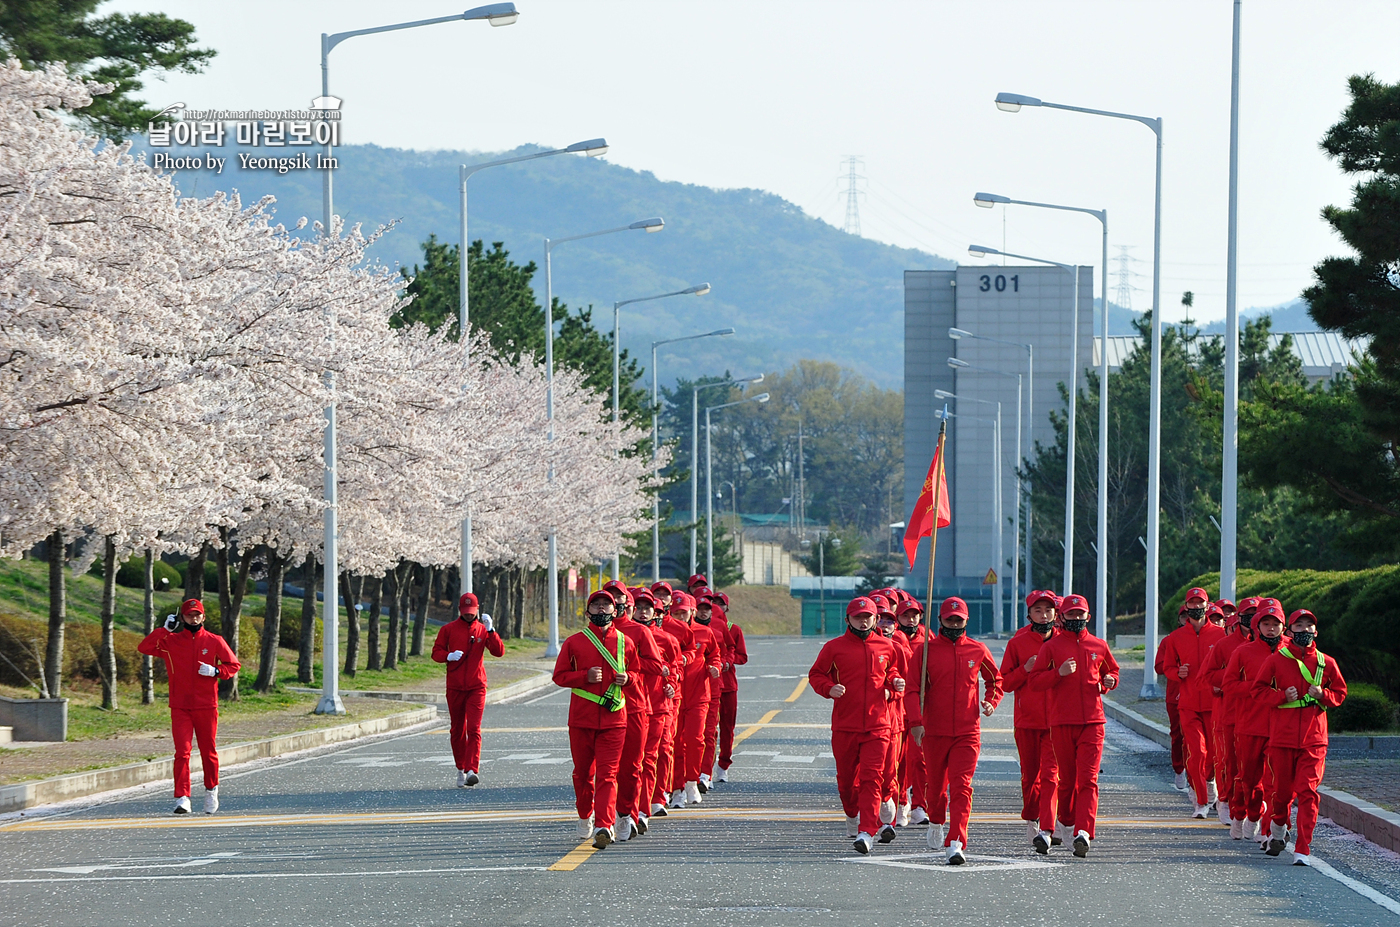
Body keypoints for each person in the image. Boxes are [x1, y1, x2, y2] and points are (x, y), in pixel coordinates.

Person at [906, 596, 1002, 865]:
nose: (954, 624)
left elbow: (996, 680)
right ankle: (936, 820)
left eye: (958, 620)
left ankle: (956, 841)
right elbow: (913, 690)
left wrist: (990, 702)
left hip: (967, 731)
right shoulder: (924, 651)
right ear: (940, 621)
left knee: (962, 787)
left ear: (966, 621)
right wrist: (916, 723)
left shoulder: (977, 649)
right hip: (934, 731)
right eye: (949, 620)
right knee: (936, 789)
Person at [1251, 608, 1347, 866]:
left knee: (1308, 792)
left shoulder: (1327, 662)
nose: (1304, 630)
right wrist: (1282, 696)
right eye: (1299, 625)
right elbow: (1257, 692)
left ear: (1315, 631)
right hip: (1282, 738)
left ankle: (1303, 849)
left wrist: (1323, 696)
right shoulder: (1276, 659)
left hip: (1314, 739)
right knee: (1281, 794)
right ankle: (1278, 830)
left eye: (1309, 626)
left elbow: (1339, 693)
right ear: (1289, 630)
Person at [809, 596, 905, 855]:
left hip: (878, 725)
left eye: (868, 617)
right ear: (848, 619)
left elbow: (895, 673)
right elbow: (816, 674)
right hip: (845, 726)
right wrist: (829, 688)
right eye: (858, 617)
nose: (863, 622)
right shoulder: (834, 648)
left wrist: (894, 687)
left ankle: (866, 832)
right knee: (846, 783)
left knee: (871, 778)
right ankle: (852, 815)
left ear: (875, 619)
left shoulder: (887, 646)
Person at [1028, 594, 1119, 858]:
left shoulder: (1098, 645)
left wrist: (1109, 681)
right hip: (1061, 722)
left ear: (1088, 617)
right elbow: (1034, 682)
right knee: (1066, 781)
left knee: (1088, 779)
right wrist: (1058, 673)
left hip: (1093, 721)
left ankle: (1084, 832)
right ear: (1061, 617)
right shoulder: (1052, 647)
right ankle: (1066, 823)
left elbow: (1112, 672)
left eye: (1081, 615)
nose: (1076, 619)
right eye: (1071, 615)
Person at [552, 590, 640, 849]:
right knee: (582, 774)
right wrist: (583, 677)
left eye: (606, 605)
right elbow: (559, 676)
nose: (601, 609)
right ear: (588, 611)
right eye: (596, 604)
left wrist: (630, 679)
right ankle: (584, 814)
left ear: (615, 611)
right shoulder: (575, 642)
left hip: (615, 719)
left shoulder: (625, 642)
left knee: (608, 774)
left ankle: (604, 825)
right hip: (581, 719)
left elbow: (637, 672)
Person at [138, 598, 240, 814]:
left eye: (197, 615)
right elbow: (144, 647)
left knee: (208, 751)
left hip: (206, 705)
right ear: (181, 617)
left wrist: (216, 671)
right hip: (180, 706)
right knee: (182, 752)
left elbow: (233, 665)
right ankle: (182, 797)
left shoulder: (215, 641)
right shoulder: (171, 641)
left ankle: (211, 790)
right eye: (189, 615)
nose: (193, 618)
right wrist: (164, 630)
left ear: (203, 617)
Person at [602, 582, 666, 841]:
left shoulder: (639, 632)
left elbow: (655, 665)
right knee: (605, 769)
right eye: (610, 598)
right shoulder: (595, 633)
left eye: (619, 597)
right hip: (603, 706)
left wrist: (628, 665)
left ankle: (630, 812)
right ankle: (604, 818)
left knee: (632, 765)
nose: (615, 602)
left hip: (635, 705)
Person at [1000, 590, 1060, 849]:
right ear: (1029, 614)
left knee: (1051, 775)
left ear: (1056, 613)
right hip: (1027, 720)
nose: (1044, 614)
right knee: (1030, 776)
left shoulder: (1065, 641)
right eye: (1038, 610)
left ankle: (1048, 827)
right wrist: (1025, 669)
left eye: (1048, 610)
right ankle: (1032, 819)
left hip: (1057, 721)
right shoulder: (1018, 642)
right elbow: (1004, 683)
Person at [1222, 599, 1285, 844]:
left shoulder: (1291, 651)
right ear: (1257, 625)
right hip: (1250, 724)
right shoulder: (1243, 652)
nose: (1270, 628)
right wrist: (1258, 689)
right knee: (1248, 779)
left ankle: (1271, 830)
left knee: (1275, 782)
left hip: (1281, 726)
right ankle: (1241, 813)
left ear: (1283, 625)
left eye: (1275, 623)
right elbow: (1229, 685)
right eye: (1265, 623)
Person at [1162, 587, 1226, 817]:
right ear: (1186, 607)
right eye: (1192, 604)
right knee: (1196, 752)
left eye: (1201, 604)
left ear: (1207, 607)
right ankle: (1201, 801)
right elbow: (1166, 667)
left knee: (1214, 754)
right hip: (1188, 704)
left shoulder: (1220, 635)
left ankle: (1212, 785)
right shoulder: (1175, 638)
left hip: (1213, 703)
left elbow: (1227, 668)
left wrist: (1220, 684)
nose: (1197, 608)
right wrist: (1177, 673)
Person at [430, 592, 505, 788]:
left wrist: (491, 631)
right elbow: (435, 653)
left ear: (477, 611)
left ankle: (473, 769)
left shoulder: (482, 630)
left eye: (472, 612)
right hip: (454, 686)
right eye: (466, 612)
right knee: (457, 729)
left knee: (473, 728)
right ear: (459, 611)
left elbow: (499, 652)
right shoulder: (448, 629)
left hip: (476, 686)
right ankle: (460, 768)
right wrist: (448, 655)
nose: (469, 615)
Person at [1203, 596, 1258, 831]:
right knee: (1231, 764)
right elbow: (1209, 674)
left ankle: (1257, 814)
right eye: (1249, 615)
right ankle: (1226, 801)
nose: (1254, 620)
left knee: (1260, 771)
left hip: (1266, 717)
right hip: (1232, 713)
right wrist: (1230, 680)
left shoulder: (1282, 646)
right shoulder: (1226, 645)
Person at [633, 589, 681, 827]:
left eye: (648, 609)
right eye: (639, 608)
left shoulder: (667, 639)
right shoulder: (624, 635)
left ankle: (651, 802)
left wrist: (671, 683)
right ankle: (628, 808)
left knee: (654, 755)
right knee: (633, 760)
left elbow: (674, 667)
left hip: (658, 705)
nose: (643, 613)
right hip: (630, 705)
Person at [670, 591, 721, 807]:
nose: (680, 617)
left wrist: (715, 667)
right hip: (674, 695)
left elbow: (714, 655)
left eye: (684, 613)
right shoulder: (667, 631)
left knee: (695, 739)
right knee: (675, 742)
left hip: (699, 694)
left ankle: (692, 781)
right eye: (676, 613)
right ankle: (676, 787)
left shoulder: (704, 632)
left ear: (693, 611)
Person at [872, 594, 911, 837]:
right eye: (879, 619)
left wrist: (893, 692)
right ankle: (868, 816)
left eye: (888, 619)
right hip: (867, 720)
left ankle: (893, 810)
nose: (883, 625)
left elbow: (907, 682)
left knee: (892, 770)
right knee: (866, 773)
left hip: (896, 718)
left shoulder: (898, 646)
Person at [892, 597, 930, 827]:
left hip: (920, 708)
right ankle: (900, 801)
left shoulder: (928, 640)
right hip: (896, 708)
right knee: (897, 761)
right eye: (905, 615)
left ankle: (919, 806)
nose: (910, 619)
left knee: (921, 760)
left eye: (914, 615)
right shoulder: (890, 639)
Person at [696, 592, 733, 793]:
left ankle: (706, 774)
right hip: (687, 690)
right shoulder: (684, 630)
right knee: (688, 736)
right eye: (699, 608)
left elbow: (729, 650)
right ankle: (686, 779)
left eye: (707, 609)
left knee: (710, 731)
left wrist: (722, 664)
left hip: (714, 687)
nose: (703, 612)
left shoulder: (719, 630)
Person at [1155, 602, 1192, 792]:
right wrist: (1177, 668)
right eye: (1184, 616)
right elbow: (1159, 666)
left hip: (1198, 694)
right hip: (1175, 694)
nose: (1188, 619)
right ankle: (1179, 768)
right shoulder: (1170, 640)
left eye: (1190, 615)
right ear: (1179, 619)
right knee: (1178, 733)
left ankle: (1198, 774)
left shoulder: (1207, 638)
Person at [714, 591, 748, 783]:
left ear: (727, 607)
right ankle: (704, 769)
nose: (717, 606)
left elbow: (742, 656)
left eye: (721, 603)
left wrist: (726, 661)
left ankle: (723, 766)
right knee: (709, 730)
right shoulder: (703, 627)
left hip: (728, 686)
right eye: (713, 602)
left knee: (727, 728)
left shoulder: (733, 629)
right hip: (707, 686)